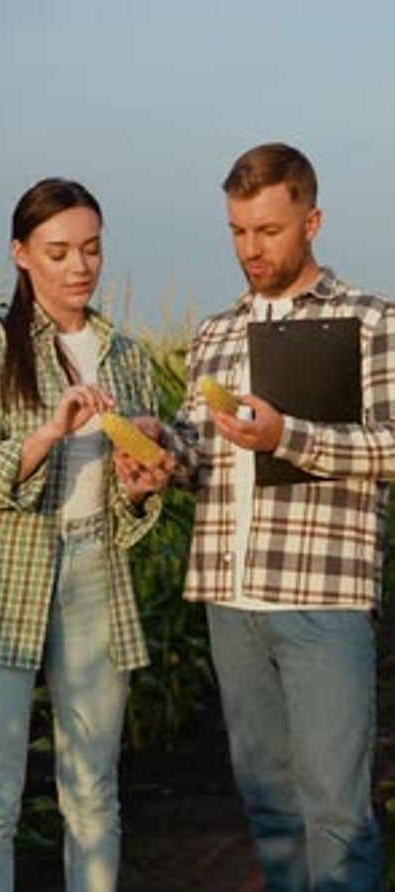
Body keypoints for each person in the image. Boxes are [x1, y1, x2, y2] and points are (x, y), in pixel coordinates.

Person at [114, 143, 395, 889]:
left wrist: (285, 436)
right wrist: (154, 450)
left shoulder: (370, 321)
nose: (250, 249)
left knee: (337, 814)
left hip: (322, 601)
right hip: (230, 600)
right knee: (270, 811)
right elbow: (196, 453)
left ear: (313, 220)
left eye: (268, 230)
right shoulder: (215, 333)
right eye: (237, 231)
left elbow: (392, 447)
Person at [0, 177, 168, 892]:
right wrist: (51, 428)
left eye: (91, 249)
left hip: (93, 570)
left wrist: (139, 484)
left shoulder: (126, 355)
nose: (79, 267)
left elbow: (133, 499)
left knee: (94, 793)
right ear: (21, 254)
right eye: (59, 250)